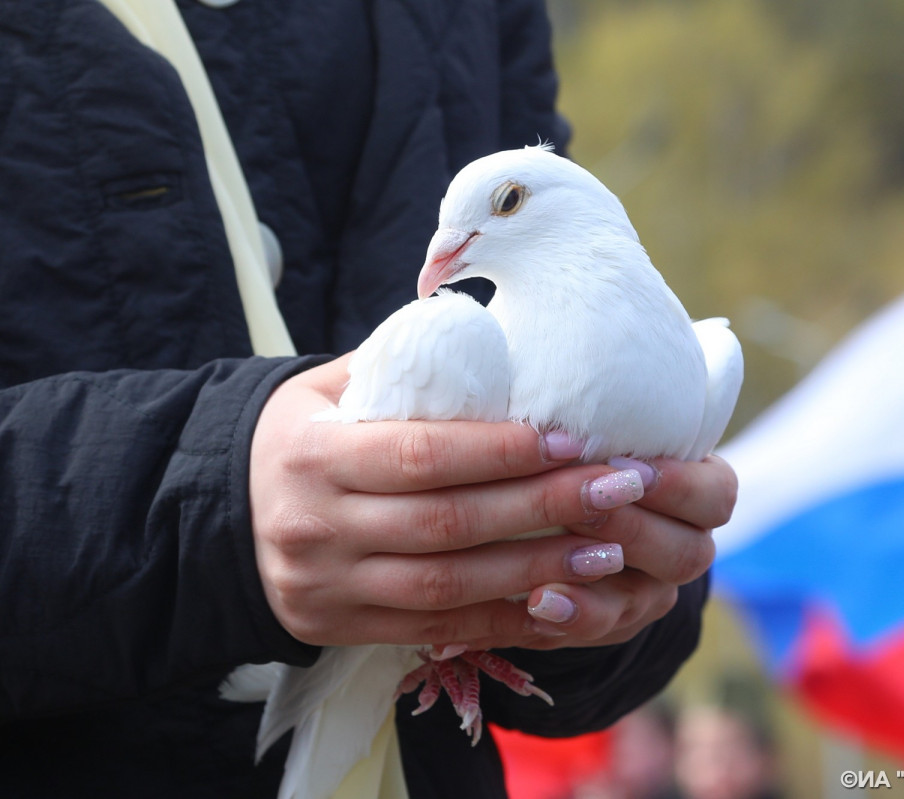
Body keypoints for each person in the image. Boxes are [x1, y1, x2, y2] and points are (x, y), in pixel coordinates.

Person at [0, 2, 736, 797]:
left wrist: (613, 605)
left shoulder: (479, 19)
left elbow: (632, 637)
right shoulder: (453, 338)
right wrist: (216, 514)